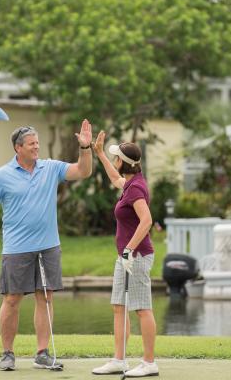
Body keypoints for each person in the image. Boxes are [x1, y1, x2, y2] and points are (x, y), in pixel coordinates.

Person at [0, 119, 93, 371]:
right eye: (32, 144)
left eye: (38, 143)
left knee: (45, 297)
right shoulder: (2, 175)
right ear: (18, 148)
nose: (36, 147)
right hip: (16, 249)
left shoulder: (50, 167)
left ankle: (42, 353)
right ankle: (7, 353)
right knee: (12, 300)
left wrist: (85, 148)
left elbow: (83, 171)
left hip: (48, 247)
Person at [91, 131, 158, 377]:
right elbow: (114, 178)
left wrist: (130, 249)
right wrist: (98, 153)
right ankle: (119, 359)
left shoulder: (136, 188)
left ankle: (149, 363)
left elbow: (147, 221)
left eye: (116, 157)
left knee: (142, 308)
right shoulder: (129, 183)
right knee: (119, 306)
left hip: (137, 256)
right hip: (125, 256)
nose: (115, 161)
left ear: (124, 162)